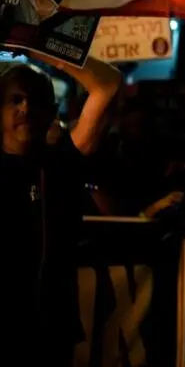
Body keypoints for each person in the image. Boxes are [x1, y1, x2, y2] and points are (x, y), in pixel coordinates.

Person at [0, 53, 121, 366]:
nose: (25, 108)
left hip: (49, 334)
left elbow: (108, 84)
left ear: (51, 112)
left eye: (36, 100)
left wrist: (43, 47)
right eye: (15, 100)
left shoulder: (60, 164)